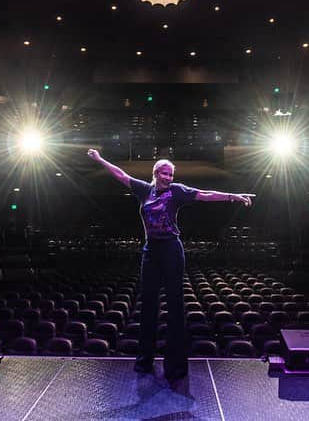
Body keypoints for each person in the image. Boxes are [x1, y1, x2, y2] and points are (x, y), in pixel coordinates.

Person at [87, 148, 254, 384]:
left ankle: (175, 366)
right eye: (164, 173)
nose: (168, 178)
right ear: (156, 173)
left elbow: (204, 195)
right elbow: (121, 175)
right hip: (151, 251)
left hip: (172, 250)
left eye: (171, 174)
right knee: (148, 306)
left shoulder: (176, 191)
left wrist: (231, 196)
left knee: (175, 306)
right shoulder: (144, 190)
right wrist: (100, 159)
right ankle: (144, 361)